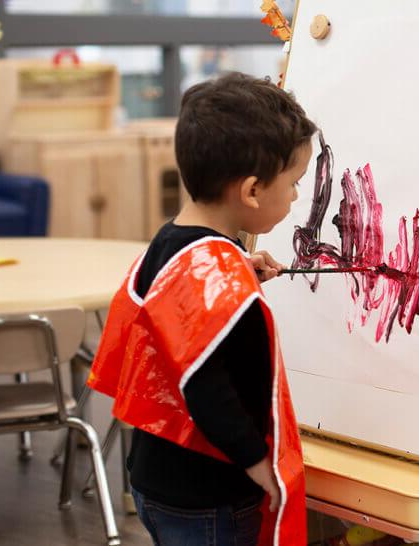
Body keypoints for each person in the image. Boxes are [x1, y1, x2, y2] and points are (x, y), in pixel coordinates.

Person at [87, 72, 315, 546]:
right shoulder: (216, 277)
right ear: (252, 191)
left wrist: (238, 269)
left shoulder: (172, 240)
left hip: (156, 476)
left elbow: (177, 311)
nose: (296, 197)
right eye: (293, 184)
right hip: (208, 497)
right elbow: (205, 385)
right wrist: (260, 467)